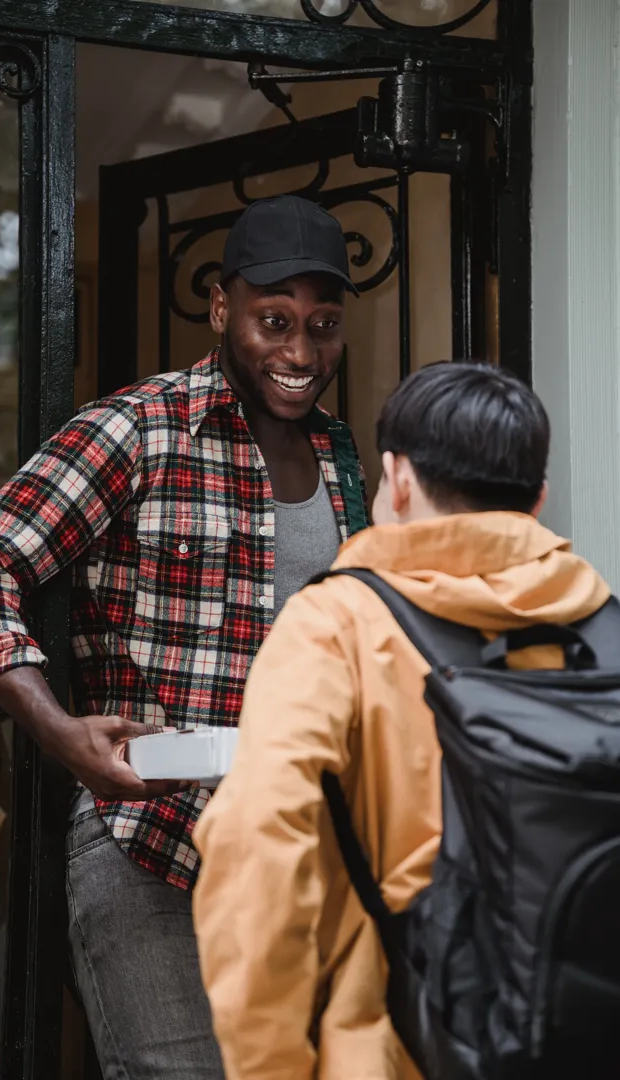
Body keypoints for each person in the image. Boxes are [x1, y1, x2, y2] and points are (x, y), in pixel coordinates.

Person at [0, 194, 367, 1079]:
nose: (300, 353)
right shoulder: (138, 428)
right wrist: (57, 730)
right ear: (221, 308)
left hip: (301, 855)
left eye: (323, 327)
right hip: (155, 842)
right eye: (274, 321)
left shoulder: (341, 455)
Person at [193, 361, 610, 1080]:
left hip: (396, 1048)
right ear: (538, 497)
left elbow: (260, 846)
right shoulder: (602, 625)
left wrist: (269, 1064)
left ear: (400, 478)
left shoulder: (335, 624)